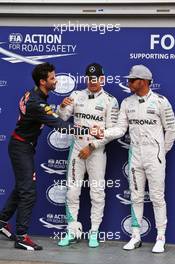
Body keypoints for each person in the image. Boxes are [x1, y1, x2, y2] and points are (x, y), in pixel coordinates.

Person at [0, 62, 87, 251]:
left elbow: (45, 116)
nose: (56, 81)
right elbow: (58, 125)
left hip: (23, 146)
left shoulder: (34, 95)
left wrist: (58, 109)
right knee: (28, 192)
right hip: (21, 148)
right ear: (42, 81)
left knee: (21, 188)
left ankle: (2, 221)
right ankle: (21, 237)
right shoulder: (37, 102)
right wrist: (87, 130)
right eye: (52, 78)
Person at [92, 65, 175, 253]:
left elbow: (171, 129)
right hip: (135, 156)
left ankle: (160, 237)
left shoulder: (161, 102)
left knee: (157, 197)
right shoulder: (127, 103)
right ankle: (135, 236)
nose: (128, 83)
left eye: (131, 80)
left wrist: (161, 152)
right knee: (136, 197)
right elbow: (121, 129)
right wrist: (103, 132)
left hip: (155, 157)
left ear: (143, 82)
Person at [57, 63, 119, 247]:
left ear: (102, 79)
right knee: (72, 191)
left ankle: (94, 232)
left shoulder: (110, 101)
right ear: (86, 78)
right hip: (77, 147)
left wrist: (92, 146)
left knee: (97, 191)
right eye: (89, 78)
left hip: (97, 151)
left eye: (96, 78)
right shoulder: (76, 95)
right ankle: (72, 231)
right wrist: (61, 106)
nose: (92, 82)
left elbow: (113, 130)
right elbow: (61, 118)